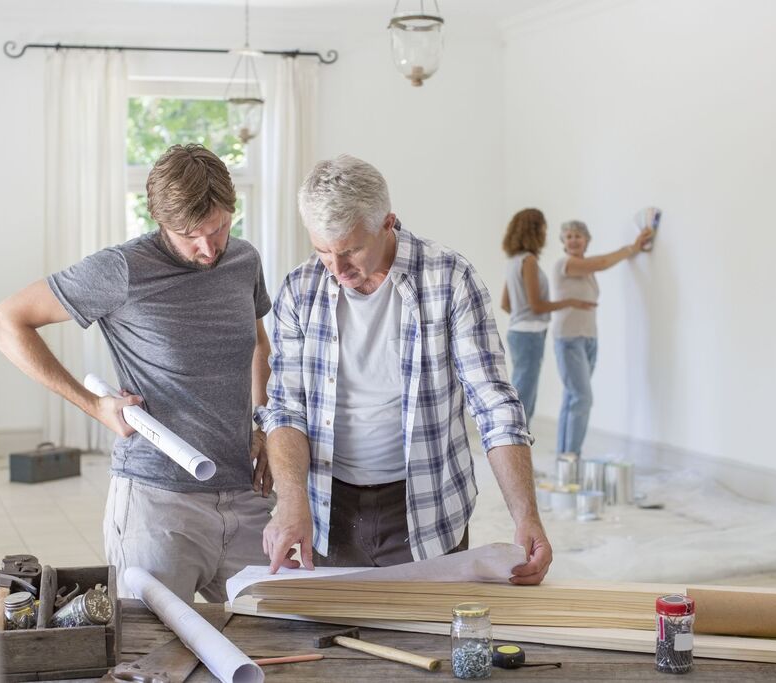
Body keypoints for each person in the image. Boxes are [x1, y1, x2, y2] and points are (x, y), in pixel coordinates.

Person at [0, 144, 274, 603]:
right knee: (150, 656)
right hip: (157, 501)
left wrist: (263, 424)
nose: (208, 247)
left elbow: (259, 344)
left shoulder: (244, 260)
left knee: (268, 642)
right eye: (189, 235)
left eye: (218, 228)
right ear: (161, 222)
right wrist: (93, 405)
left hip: (246, 495)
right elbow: (3, 322)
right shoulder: (121, 270)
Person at [258, 155, 552, 585]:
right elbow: (285, 408)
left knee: (427, 635)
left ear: (388, 223)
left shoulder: (450, 279)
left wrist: (526, 515)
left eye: (351, 250)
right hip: (325, 504)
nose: (338, 270)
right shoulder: (299, 289)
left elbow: (493, 404)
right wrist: (290, 500)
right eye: (323, 251)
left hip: (428, 504)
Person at [552, 220, 653, 456]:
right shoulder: (564, 264)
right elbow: (601, 263)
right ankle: (572, 458)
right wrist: (633, 247)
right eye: (568, 237)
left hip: (588, 338)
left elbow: (596, 265)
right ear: (563, 243)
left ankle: (565, 459)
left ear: (587, 240)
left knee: (572, 398)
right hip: (568, 339)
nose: (573, 240)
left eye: (578, 235)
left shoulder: (587, 272)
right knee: (582, 398)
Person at [500, 208, 597, 424]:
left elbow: (505, 304)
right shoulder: (529, 261)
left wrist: (522, 316)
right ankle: (516, 445)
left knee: (521, 389)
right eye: (543, 228)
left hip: (517, 333)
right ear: (536, 230)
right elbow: (537, 306)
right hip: (530, 336)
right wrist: (571, 302)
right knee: (525, 396)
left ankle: (516, 441)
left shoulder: (513, 260)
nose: (545, 233)